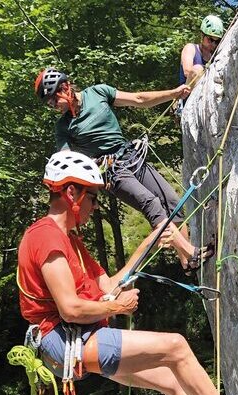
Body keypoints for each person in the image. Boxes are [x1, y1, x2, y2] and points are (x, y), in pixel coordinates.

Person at [17, 150, 223, 395]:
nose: (94, 206)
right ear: (72, 193)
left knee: (171, 381)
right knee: (176, 347)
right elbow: (70, 308)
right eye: (92, 197)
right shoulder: (46, 237)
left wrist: (151, 241)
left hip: (78, 337)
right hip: (66, 341)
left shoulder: (70, 241)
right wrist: (118, 306)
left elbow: (109, 285)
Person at [34, 68, 213, 273]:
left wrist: (173, 93)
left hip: (131, 156)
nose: (54, 107)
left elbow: (138, 98)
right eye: (50, 104)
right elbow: (68, 161)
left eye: (53, 101)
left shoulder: (98, 93)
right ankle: (191, 252)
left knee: (172, 201)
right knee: (151, 203)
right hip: (111, 171)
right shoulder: (63, 127)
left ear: (64, 88)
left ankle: (186, 261)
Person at [179, 15, 225, 87]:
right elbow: (187, 72)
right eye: (210, 39)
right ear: (202, 35)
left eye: (217, 41)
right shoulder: (190, 48)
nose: (213, 43)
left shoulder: (214, 55)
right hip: (188, 94)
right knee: (197, 69)